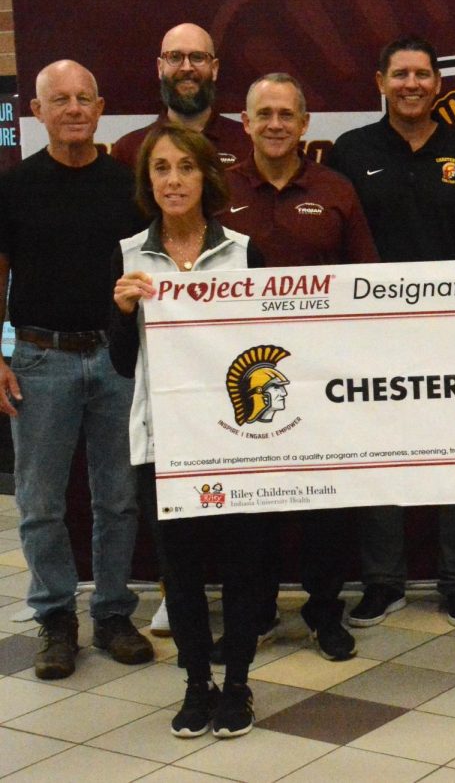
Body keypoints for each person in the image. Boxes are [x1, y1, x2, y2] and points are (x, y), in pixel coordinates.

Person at [327, 37, 455, 628]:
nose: (412, 84)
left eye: (423, 74)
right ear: (380, 81)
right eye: (400, 74)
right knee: (378, 457)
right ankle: (382, 580)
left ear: (438, 84)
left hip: (453, 334)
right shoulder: (350, 151)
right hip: (373, 335)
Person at [219, 73, 379, 660]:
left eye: (287, 114)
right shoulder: (218, 188)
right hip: (241, 378)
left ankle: (323, 610)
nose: (276, 124)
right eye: (264, 114)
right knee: (250, 509)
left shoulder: (336, 189)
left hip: (319, 378)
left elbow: (367, 279)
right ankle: (255, 613)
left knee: (324, 505)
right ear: (246, 122)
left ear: (305, 124)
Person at [0, 60, 151, 680]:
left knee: (117, 499)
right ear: (36, 111)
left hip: (115, 358)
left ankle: (113, 611)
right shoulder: (13, 187)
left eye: (83, 98)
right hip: (39, 357)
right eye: (57, 99)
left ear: (100, 107)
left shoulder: (127, 186)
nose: (72, 109)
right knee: (39, 501)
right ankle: (56, 617)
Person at [112, 123, 264, 737]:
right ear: (149, 182)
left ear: (207, 176)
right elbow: (125, 364)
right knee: (182, 569)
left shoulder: (245, 251)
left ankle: (238, 684)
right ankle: (196, 683)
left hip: (237, 440)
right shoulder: (129, 255)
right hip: (163, 443)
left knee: (244, 564)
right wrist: (122, 313)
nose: (173, 180)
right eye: (161, 170)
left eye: (185, 168)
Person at [111, 23, 251, 169]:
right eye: (175, 57)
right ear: (160, 67)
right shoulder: (128, 151)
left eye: (197, 57)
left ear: (214, 68)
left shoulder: (248, 144)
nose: (186, 68)